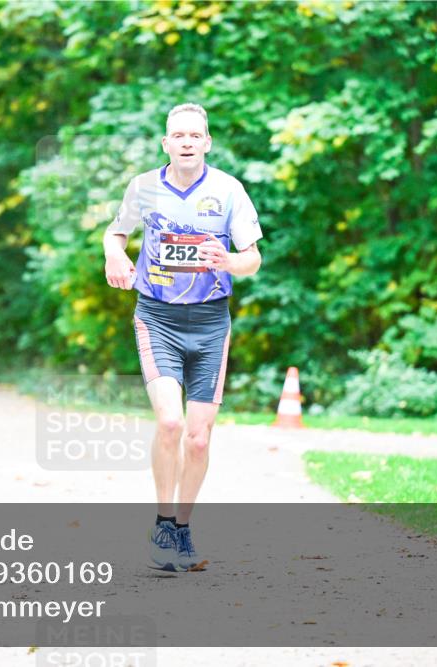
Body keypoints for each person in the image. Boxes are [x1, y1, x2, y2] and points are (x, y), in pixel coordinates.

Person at [102, 103, 263, 572]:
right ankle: (162, 522)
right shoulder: (144, 187)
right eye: (179, 135)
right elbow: (116, 234)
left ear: (207, 142)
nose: (188, 141)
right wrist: (115, 255)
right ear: (166, 143)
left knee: (197, 437)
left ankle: (183, 529)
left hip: (211, 323)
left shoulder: (229, 190)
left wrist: (229, 261)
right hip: (157, 317)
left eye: (196, 135)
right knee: (170, 423)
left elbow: (252, 258)